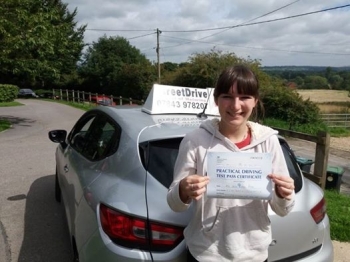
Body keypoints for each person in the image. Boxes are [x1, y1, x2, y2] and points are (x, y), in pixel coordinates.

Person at [167, 64, 295, 262]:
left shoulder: (269, 142)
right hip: (205, 254)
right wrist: (183, 190)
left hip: (254, 255)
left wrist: (283, 194)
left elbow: (283, 209)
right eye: (227, 96)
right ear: (216, 100)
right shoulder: (195, 141)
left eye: (244, 97)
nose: (235, 106)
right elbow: (175, 204)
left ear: (255, 101)